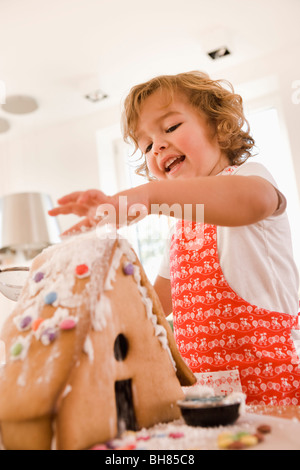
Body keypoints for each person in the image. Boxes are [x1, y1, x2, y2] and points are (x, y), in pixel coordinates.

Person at [49, 71, 300, 405]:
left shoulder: (249, 177)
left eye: (170, 128)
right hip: (208, 399)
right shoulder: (182, 223)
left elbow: (253, 201)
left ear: (217, 124)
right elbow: (153, 305)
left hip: (276, 392)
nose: (158, 147)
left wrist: (149, 197)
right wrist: (92, 305)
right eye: (147, 145)